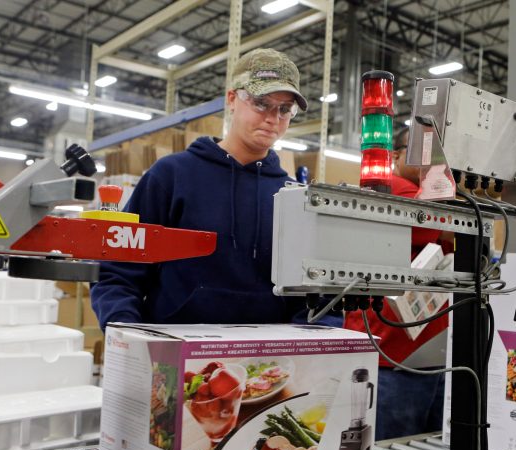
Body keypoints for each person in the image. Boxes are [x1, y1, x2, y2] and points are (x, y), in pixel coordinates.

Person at [92, 48, 335, 329]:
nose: (273, 118)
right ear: (232, 99)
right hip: (174, 352)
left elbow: (313, 294)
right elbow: (118, 270)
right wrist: (124, 330)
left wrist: (310, 344)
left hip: (267, 363)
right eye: (261, 103)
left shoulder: (296, 198)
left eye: (284, 109)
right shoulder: (171, 176)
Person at [343, 127, 452, 440]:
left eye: (439, 159)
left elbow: (455, 235)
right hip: (388, 360)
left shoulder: (434, 195)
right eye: (423, 155)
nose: (431, 165)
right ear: (396, 155)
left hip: (431, 357)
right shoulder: (387, 187)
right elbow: (432, 226)